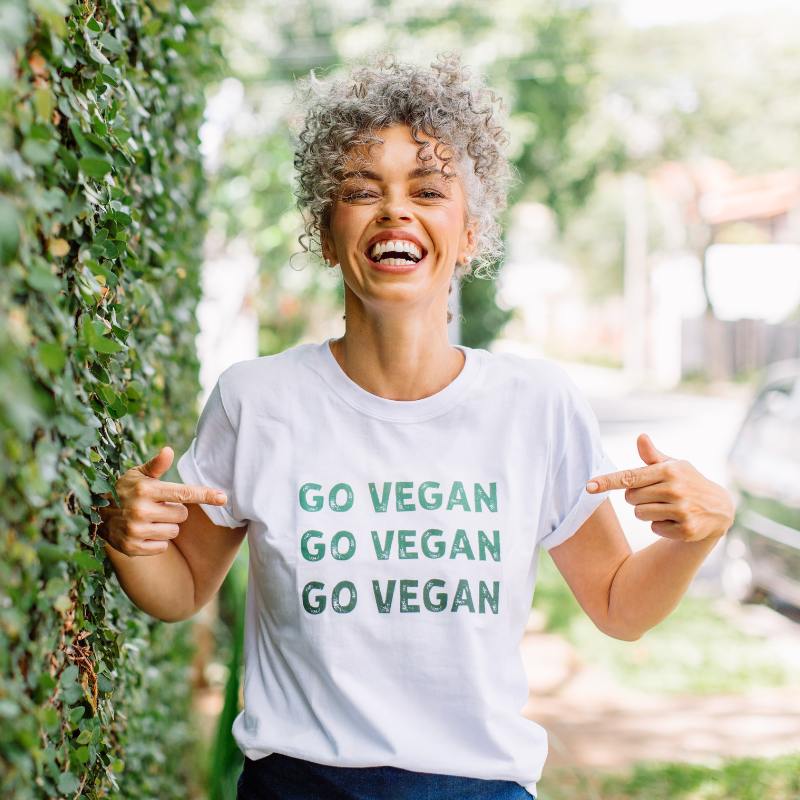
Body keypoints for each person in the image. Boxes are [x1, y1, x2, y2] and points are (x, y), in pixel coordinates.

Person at [99, 51, 735, 800]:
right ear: (327, 236)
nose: (395, 210)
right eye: (362, 192)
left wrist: (701, 533)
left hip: (477, 787)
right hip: (299, 787)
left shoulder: (536, 404)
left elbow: (621, 607)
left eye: (428, 190)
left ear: (469, 234)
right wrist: (128, 536)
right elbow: (179, 590)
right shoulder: (257, 399)